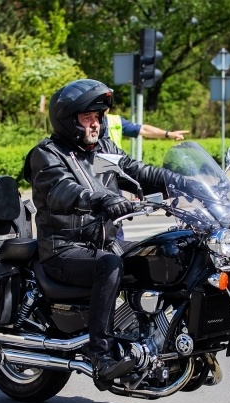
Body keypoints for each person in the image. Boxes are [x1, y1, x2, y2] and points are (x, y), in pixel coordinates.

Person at [26, 79, 185, 384]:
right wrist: (102, 199)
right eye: (88, 118)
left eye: (98, 118)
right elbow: (63, 191)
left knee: (167, 252)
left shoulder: (104, 149)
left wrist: (183, 181)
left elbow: (137, 171)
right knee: (110, 264)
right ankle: (103, 355)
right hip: (63, 250)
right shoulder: (46, 155)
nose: (96, 124)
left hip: (105, 243)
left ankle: (164, 339)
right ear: (69, 120)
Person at [106, 113, 189, 149]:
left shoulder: (115, 120)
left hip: (114, 168)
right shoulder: (93, 121)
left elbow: (143, 129)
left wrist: (168, 134)